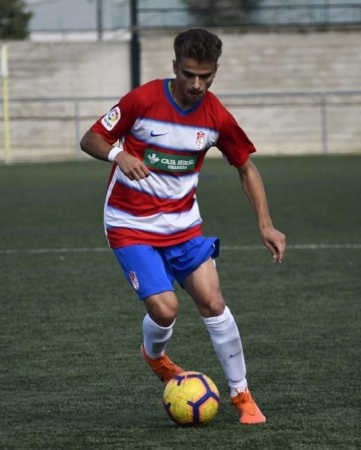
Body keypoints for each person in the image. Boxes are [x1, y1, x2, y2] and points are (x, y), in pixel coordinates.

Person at [80, 28, 285, 425]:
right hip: (129, 223)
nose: (196, 84)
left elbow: (245, 166)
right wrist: (119, 155)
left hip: (184, 225)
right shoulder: (142, 100)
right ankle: (155, 357)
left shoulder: (216, 117)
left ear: (215, 72)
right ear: (175, 66)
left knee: (214, 303)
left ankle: (242, 396)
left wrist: (266, 224)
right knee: (166, 309)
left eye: (205, 76)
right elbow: (91, 140)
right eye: (189, 74)